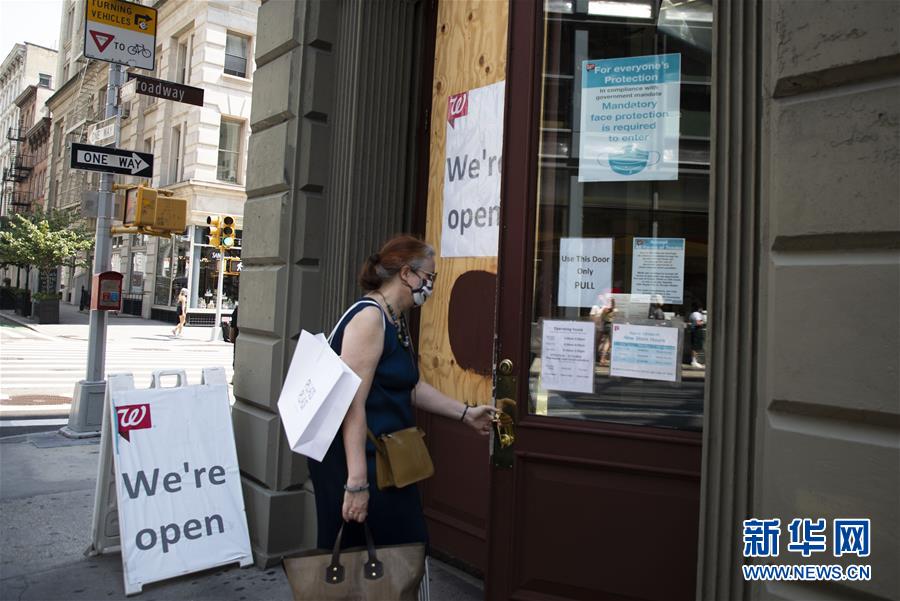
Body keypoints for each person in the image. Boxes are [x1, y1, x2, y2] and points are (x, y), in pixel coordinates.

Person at [308, 234, 496, 553]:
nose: (431, 286)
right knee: (373, 555)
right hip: (360, 462)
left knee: (402, 550)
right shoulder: (370, 319)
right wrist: (356, 484)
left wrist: (465, 414)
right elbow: (352, 405)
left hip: (386, 459)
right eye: (429, 276)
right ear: (407, 274)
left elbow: (410, 387)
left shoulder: (394, 319)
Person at [688, 303, 706, 368]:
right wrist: (705, 322)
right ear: (699, 308)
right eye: (701, 308)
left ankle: (694, 361)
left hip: (694, 330)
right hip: (696, 331)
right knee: (695, 347)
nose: (702, 309)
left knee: (695, 346)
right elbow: (698, 323)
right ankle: (694, 361)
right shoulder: (696, 314)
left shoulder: (693, 314)